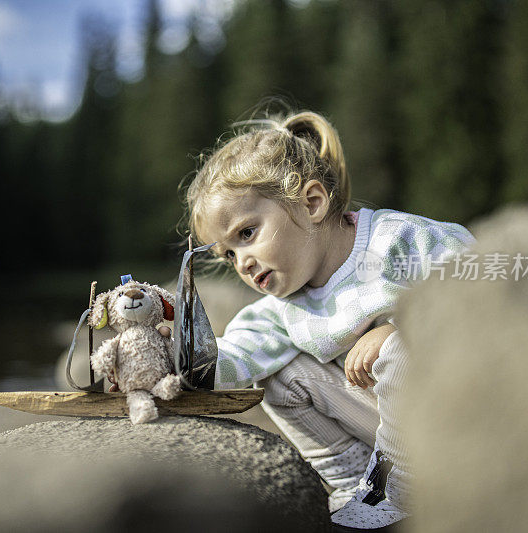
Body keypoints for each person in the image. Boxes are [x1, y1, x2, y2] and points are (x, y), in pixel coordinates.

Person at [182, 110, 475, 530]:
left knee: (396, 350)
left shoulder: (398, 241)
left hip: (459, 414)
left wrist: (400, 326)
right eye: (228, 254)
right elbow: (235, 356)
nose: (242, 262)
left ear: (312, 202)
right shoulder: (285, 307)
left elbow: (476, 281)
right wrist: (174, 358)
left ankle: (398, 490)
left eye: (247, 233)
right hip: (395, 437)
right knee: (280, 374)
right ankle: (357, 484)